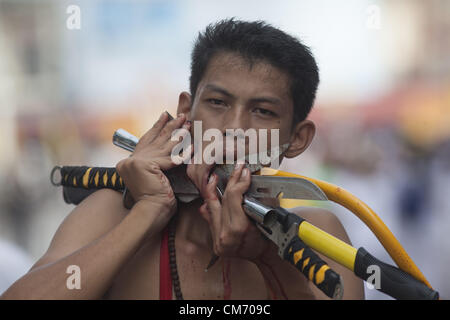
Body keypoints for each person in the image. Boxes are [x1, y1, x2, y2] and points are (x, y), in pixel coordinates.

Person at [1, 19, 364, 300]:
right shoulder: (115, 214)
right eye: (218, 103)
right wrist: (148, 212)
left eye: (263, 111)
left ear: (296, 139)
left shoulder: (319, 235)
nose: (234, 128)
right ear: (186, 112)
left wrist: (268, 257)